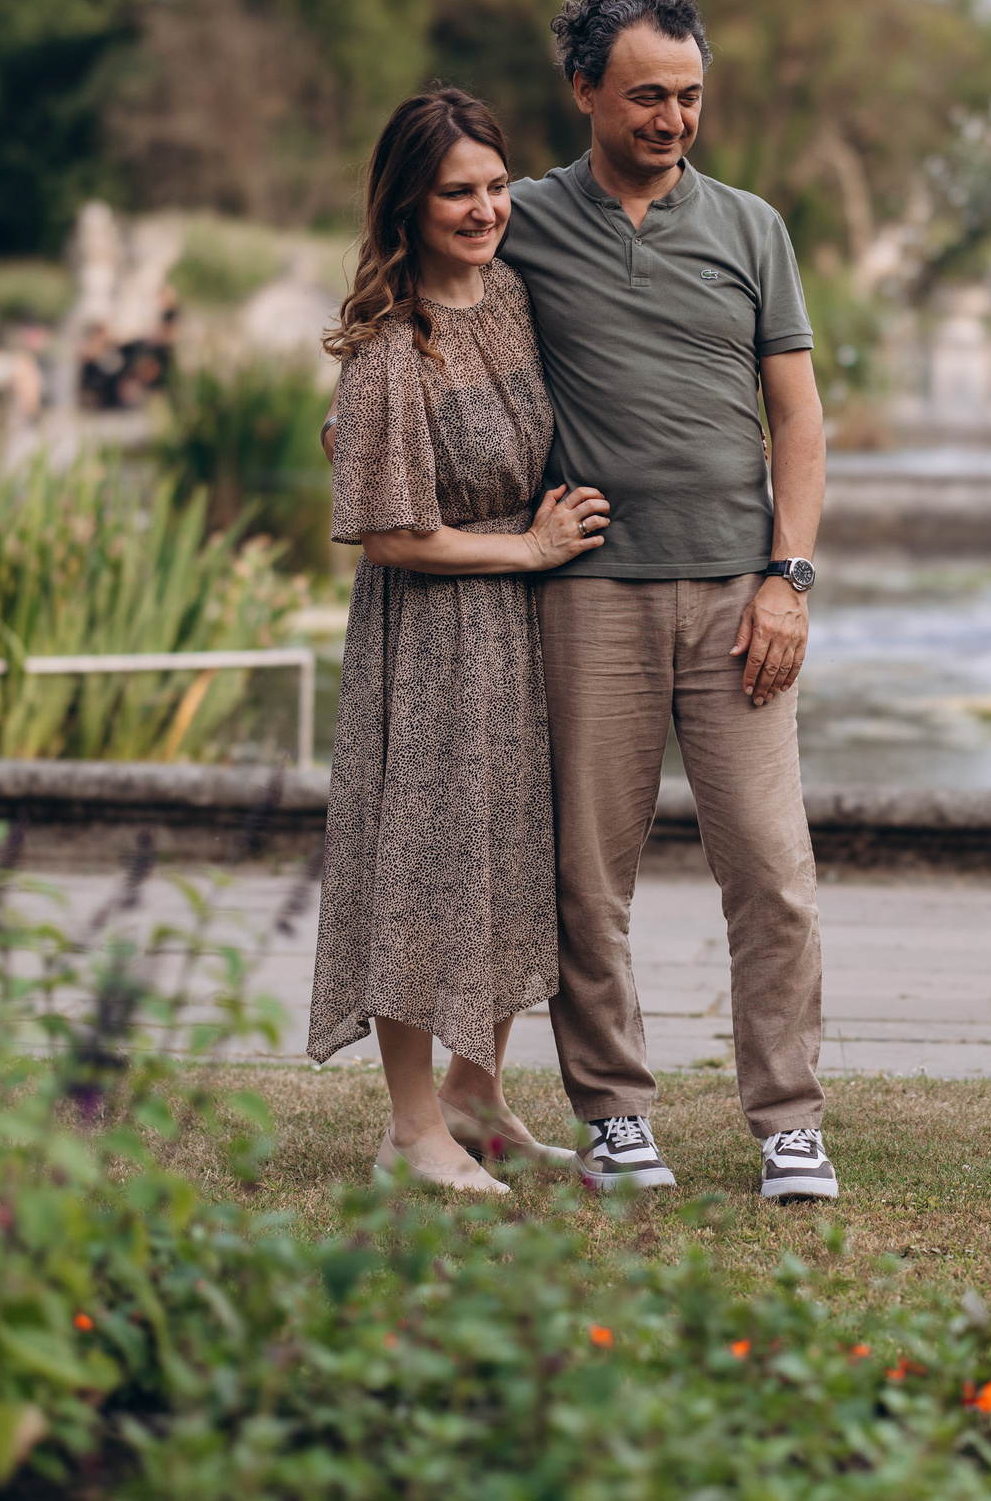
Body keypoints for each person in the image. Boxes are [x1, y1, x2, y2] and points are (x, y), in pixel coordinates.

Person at [505, 0, 836, 1202]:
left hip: (739, 600)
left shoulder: (752, 227)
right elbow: (416, 301)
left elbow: (796, 420)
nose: (672, 119)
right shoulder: (522, 219)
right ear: (584, 87)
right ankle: (612, 1114)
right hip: (590, 595)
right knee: (589, 872)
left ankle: (787, 1119)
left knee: (772, 867)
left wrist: (788, 577)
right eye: (646, 96)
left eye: (689, 97)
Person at [305, 88, 613, 1194]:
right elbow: (388, 533)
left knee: (505, 859)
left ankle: (479, 1098)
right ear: (408, 204)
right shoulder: (393, 350)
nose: (484, 209)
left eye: (494, 186)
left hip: (518, 636)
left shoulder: (515, 299)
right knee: (425, 867)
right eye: (456, 193)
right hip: (432, 637)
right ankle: (409, 1127)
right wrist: (526, 554)